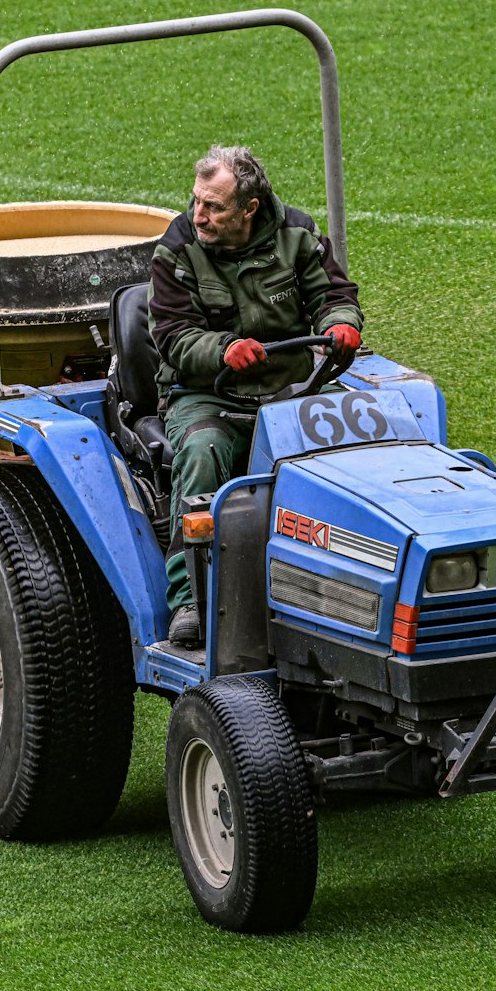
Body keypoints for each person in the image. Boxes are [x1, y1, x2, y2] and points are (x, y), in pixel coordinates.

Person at [148, 145, 363, 648]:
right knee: (202, 453)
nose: (198, 215)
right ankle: (188, 600)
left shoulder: (298, 236)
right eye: (197, 202)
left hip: (292, 390)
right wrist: (225, 349)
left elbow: (334, 298)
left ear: (250, 208)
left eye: (214, 207)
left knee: (352, 450)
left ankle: (339, 581)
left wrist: (341, 326)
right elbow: (174, 336)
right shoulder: (176, 250)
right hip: (206, 395)